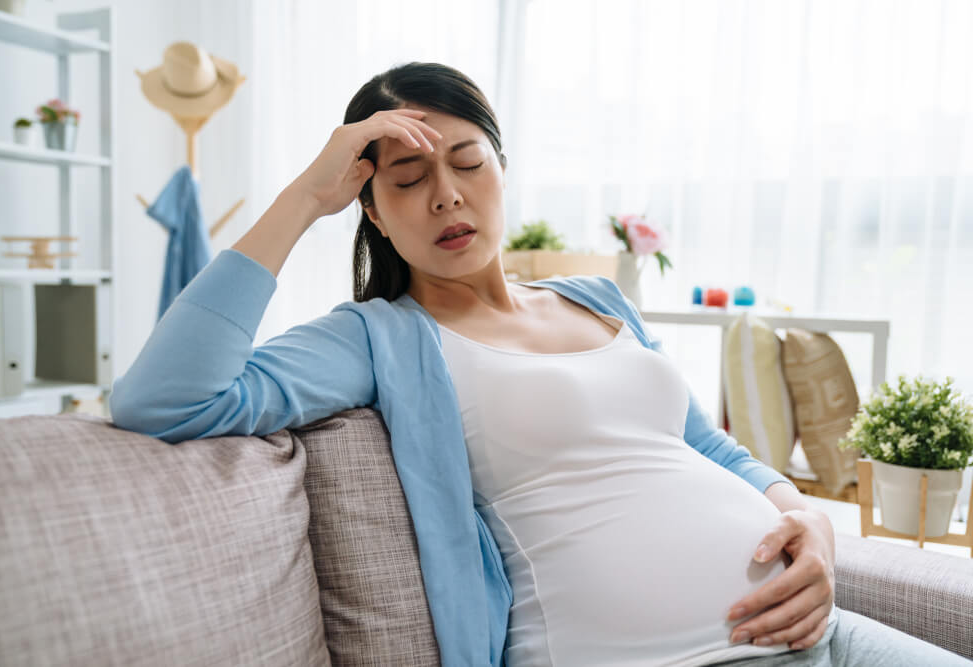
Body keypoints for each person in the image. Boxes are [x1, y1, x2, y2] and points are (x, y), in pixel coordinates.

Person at [110, 62, 971, 667]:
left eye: (466, 161)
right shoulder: (378, 337)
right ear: (368, 210)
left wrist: (812, 524)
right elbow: (164, 399)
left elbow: (706, 446)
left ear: (501, 168)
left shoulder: (597, 297)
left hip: (821, 632)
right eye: (405, 177)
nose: (445, 192)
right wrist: (305, 195)